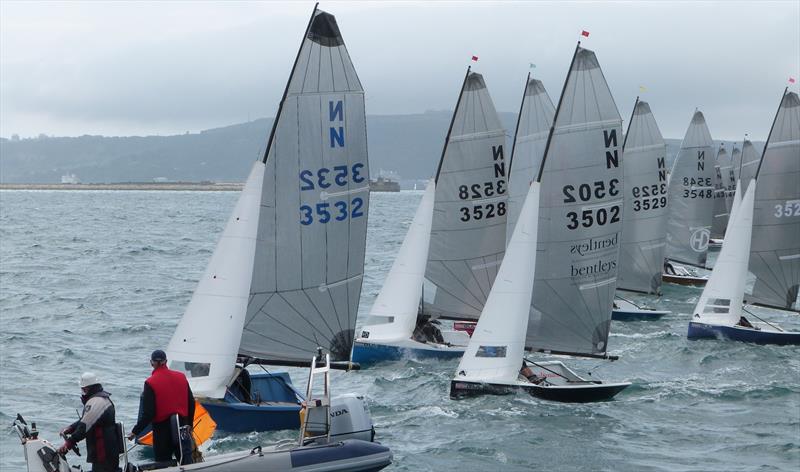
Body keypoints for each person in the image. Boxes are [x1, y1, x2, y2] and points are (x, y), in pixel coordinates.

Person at [128, 350, 195, 464]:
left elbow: (149, 413)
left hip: (162, 431)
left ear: (151, 363)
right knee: (187, 463)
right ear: (166, 361)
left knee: (163, 465)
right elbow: (191, 403)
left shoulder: (150, 382)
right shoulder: (181, 377)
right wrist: (190, 425)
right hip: (182, 426)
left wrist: (135, 431)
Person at [58, 372, 120, 472]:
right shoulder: (101, 399)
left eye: (82, 389)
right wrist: (71, 428)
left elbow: (84, 426)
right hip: (107, 451)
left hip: (103, 452)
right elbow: (87, 419)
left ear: (86, 389)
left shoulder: (96, 402)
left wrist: (68, 444)